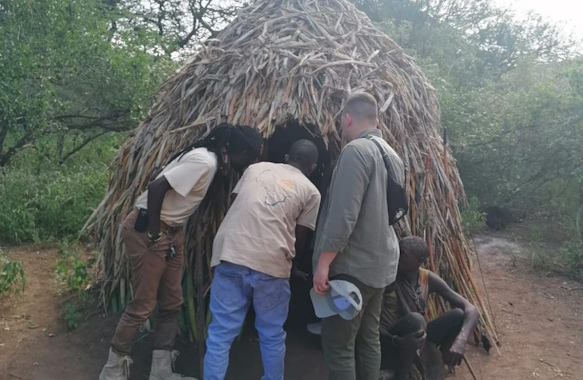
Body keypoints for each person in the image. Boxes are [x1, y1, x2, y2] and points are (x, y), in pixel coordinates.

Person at [99, 124, 262, 380]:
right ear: (235, 150)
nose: (247, 164)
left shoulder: (208, 162)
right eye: (248, 157)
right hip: (149, 230)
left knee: (172, 302)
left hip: (170, 232)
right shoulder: (205, 162)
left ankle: (161, 370)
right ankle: (112, 371)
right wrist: (155, 234)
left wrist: (171, 233)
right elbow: (156, 187)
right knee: (142, 305)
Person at [203, 139, 322, 380]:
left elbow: (241, 206)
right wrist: (294, 267)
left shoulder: (255, 169)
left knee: (220, 334)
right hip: (271, 265)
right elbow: (301, 237)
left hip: (232, 254)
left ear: (288, 157)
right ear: (313, 167)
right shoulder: (311, 191)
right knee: (272, 334)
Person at [312, 92, 405, 380]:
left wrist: (324, 263)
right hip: (380, 266)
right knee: (369, 338)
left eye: (341, 122)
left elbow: (343, 216)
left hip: (352, 269)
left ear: (348, 118)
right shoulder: (392, 155)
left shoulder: (355, 152)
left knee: (339, 344)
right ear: (376, 120)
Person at [379, 236, 481, 380]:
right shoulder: (388, 277)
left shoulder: (426, 278)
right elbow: (370, 324)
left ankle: (442, 363)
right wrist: (396, 340)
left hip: (417, 341)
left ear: (419, 260)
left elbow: (471, 310)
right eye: (398, 251)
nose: (397, 256)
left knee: (457, 315)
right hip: (390, 343)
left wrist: (461, 340)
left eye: (404, 254)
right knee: (415, 319)